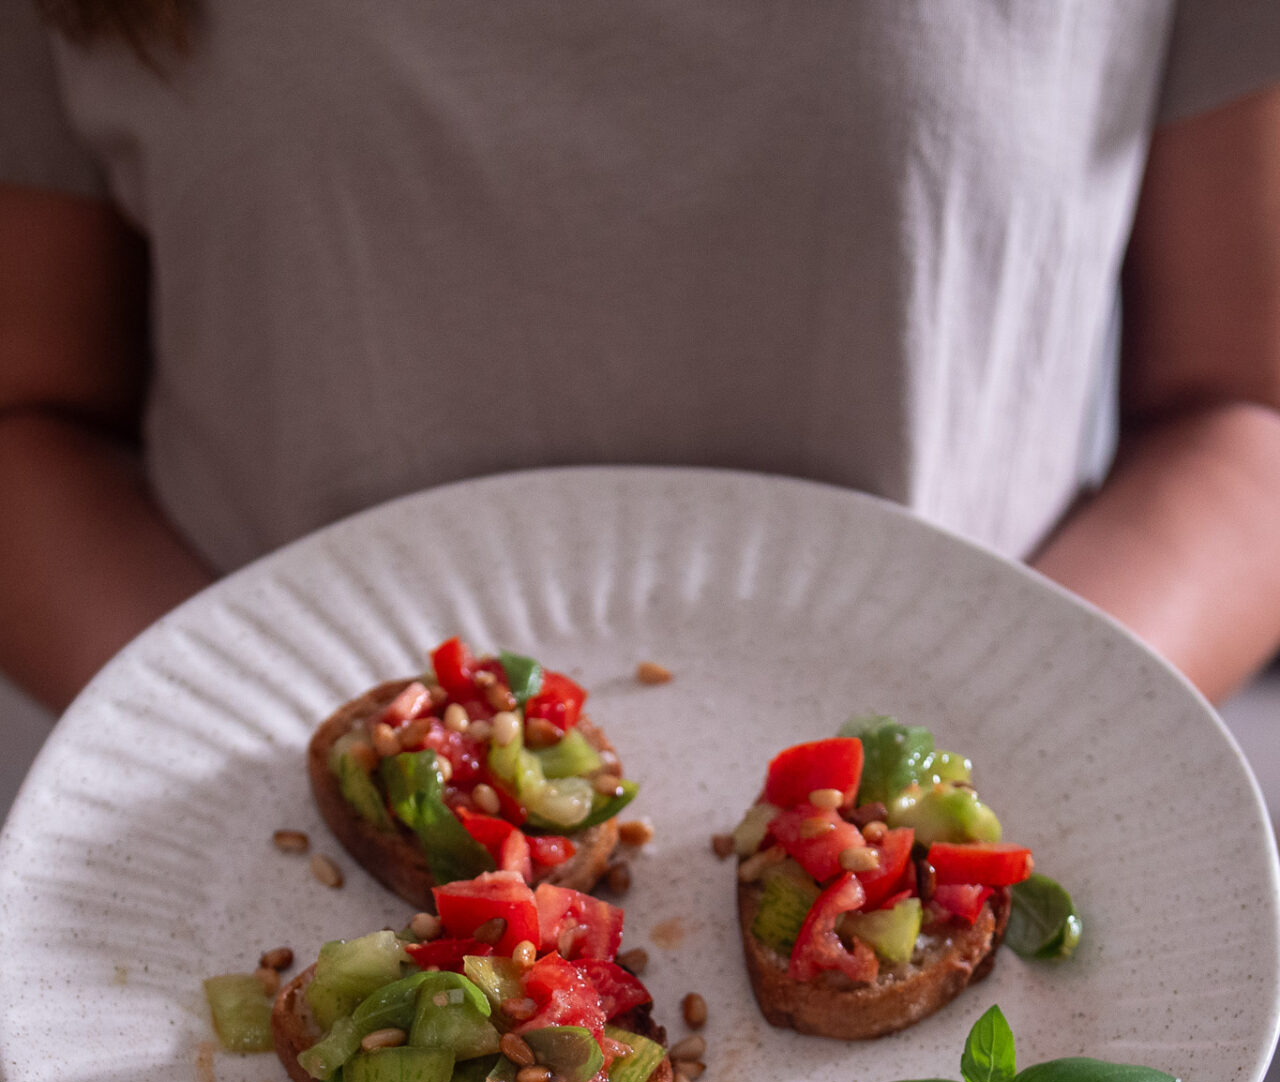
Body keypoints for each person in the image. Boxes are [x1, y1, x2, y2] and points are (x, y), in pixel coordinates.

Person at [1, 0, 1279, 711]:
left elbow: (1244, 409)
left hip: (984, 897)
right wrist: (252, 762)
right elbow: (30, 413)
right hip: (249, 874)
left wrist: (1033, 751)